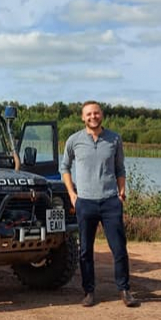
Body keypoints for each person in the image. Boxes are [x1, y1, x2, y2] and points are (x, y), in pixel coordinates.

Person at [60, 101, 140, 308]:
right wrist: (71, 194)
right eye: (88, 114)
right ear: (82, 117)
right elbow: (64, 167)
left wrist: (121, 191)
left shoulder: (114, 139)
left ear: (101, 115)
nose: (92, 117)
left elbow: (120, 168)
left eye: (96, 113)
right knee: (85, 250)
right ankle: (89, 292)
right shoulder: (74, 140)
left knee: (119, 249)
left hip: (110, 202)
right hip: (85, 202)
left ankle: (124, 290)